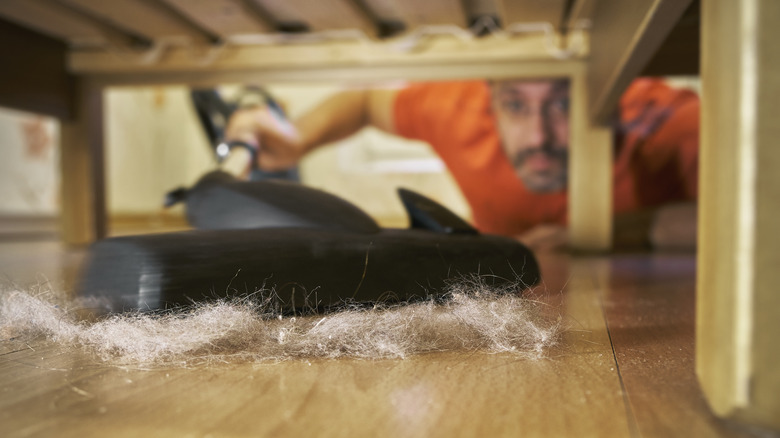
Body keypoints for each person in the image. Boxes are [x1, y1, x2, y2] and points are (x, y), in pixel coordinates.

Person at [225, 78, 699, 251]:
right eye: (515, 105)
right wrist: (295, 139)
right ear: (491, 100)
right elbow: (367, 100)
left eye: (561, 105)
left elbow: (760, 218)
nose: (538, 136)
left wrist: (607, 233)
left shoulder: (663, 121)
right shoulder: (460, 107)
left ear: (603, 96)